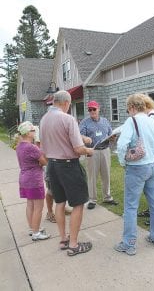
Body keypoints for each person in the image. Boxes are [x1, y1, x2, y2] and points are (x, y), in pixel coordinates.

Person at [114, 93, 154, 255]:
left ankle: (129, 244)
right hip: (152, 167)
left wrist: (123, 162)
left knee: (131, 206)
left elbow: (122, 144)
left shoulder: (131, 121)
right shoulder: (152, 120)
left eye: (127, 109)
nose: (128, 112)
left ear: (132, 107)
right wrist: (153, 154)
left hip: (136, 168)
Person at [40, 90, 93, 256]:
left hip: (52, 166)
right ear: (66, 103)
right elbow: (77, 148)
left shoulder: (44, 119)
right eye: (69, 104)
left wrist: (80, 138)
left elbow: (49, 143)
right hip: (68, 165)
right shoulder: (67, 118)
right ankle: (74, 244)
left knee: (60, 202)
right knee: (78, 203)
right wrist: (89, 151)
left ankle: (63, 239)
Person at [79, 100, 118, 210]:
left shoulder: (105, 121)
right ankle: (92, 199)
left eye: (94, 109)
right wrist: (84, 138)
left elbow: (111, 134)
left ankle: (107, 197)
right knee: (92, 176)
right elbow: (79, 135)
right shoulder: (85, 122)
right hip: (92, 151)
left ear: (98, 109)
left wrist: (113, 137)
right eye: (90, 110)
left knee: (106, 175)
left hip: (105, 150)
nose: (92, 111)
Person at [16, 121, 50, 241]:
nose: (34, 132)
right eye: (32, 130)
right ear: (27, 133)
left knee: (30, 204)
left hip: (24, 178)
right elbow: (45, 162)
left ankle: (32, 228)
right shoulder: (32, 147)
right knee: (38, 207)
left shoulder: (19, 146)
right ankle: (36, 233)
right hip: (34, 179)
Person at [137, 95, 154, 225]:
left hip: (152, 157)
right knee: (151, 191)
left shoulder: (152, 117)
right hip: (152, 156)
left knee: (153, 192)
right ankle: (151, 212)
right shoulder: (152, 116)